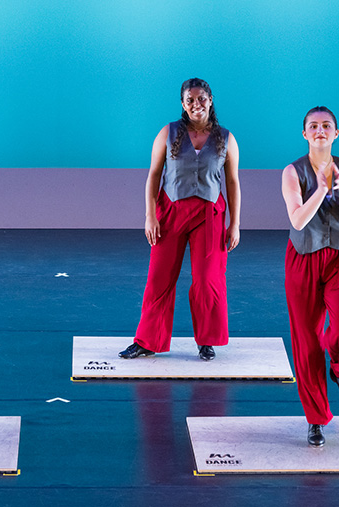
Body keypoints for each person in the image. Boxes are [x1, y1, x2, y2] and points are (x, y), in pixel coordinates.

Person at [120, 78, 241, 361]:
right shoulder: (169, 132)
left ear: (210, 100)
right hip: (171, 211)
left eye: (201, 99)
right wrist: (150, 216)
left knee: (208, 279)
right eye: (190, 100)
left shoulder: (226, 138)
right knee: (159, 278)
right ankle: (148, 341)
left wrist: (235, 224)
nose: (196, 104)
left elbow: (232, 182)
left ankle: (207, 341)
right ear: (183, 104)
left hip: (209, 215)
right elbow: (153, 175)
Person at [282, 106, 339, 447]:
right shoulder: (293, 172)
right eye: (314, 126)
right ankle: (316, 419)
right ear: (305, 133)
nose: (320, 130)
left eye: (327, 125)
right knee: (306, 342)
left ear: (336, 133)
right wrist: (319, 189)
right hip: (303, 258)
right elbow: (297, 220)